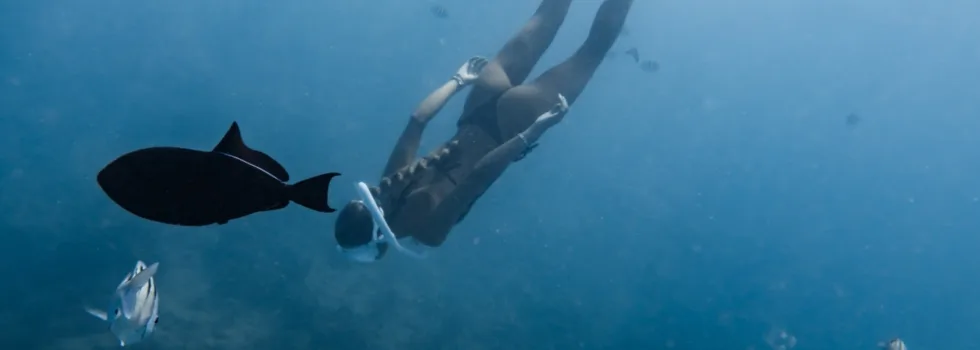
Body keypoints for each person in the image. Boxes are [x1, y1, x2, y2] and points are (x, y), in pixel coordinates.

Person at [335, 0, 633, 262]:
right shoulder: (388, 184)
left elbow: (478, 177)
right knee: (548, 13)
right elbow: (417, 120)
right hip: (479, 101)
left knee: (593, 50)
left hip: (511, 126)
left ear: (379, 244)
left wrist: (530, 134)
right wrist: (458, 80)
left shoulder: (428, 233)